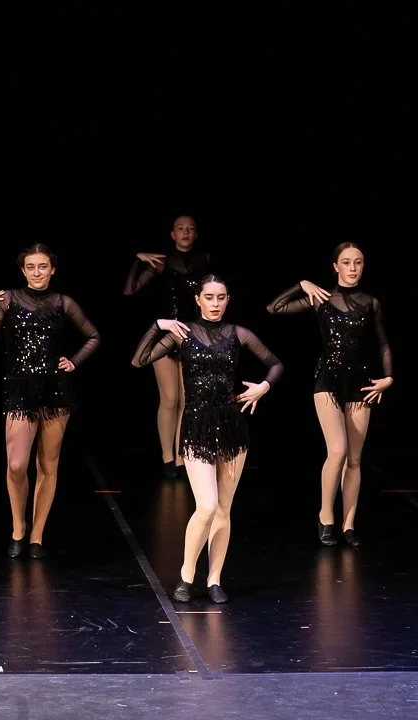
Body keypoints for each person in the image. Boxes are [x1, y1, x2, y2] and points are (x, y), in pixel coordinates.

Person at [132, 274, 283, 603]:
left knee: (224, 509)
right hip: (197, 427)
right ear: (197, 300)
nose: (215, 304)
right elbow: (139, 360)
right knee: (207, 505)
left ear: (228, 300)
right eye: (209, 298)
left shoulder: (238, 333)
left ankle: (214, 578)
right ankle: (187, 574)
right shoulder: (182, 334)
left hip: (231, 427)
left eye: (221, 298)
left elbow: (275, 363)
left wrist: (263, 387)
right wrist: (157, 325)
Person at [0, 243, 101, 559]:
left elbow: (94, 337)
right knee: (16, 464)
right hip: (19, 390)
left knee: (48, 464)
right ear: (23, 270)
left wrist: (73, 361)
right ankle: (18, 527)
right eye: (31, 266)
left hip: (55, 391)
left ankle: (37, 536)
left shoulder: (63, 302)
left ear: (52, 269)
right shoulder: (9, 300)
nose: (37, 272)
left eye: (43, 266)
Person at [266, 242, 393, 548]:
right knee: (336, 450)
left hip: (360, 384)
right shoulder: (321, 299)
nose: (352, 268)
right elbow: (275, 308)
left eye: (358, 262)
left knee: (354, 458)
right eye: (346, 262)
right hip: (328, 381)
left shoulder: (371, 302)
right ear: (335, 266)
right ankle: (326, 516)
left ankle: (349, 524)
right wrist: (302, 284)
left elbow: (383, 343)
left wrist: (388, 377)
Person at [123, 215, 211, 478]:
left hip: (194, 335)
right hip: (166, 336)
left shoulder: (204, 261)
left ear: (196, 234)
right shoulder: (162, 262)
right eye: (180, 229)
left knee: (188, 400)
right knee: (170, 398)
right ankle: (166, 457)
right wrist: (138, 259)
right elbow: (130, 290)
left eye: (190, 229)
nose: (185, 232)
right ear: (172, 234)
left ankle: (182, 457)